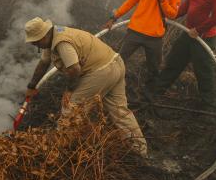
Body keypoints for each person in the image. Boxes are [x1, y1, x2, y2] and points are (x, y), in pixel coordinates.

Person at [24, 17, 147, 157]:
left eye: (36, 42)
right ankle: (140, 150)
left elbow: (75, 69)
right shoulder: (54, 35)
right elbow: (43, 63)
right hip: (116, 63)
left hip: (101, 72)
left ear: (44, 35)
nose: (35, 45)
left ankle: (58, 152)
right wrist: (31, 86)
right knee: (120, 112)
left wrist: (69, 90)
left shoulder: (61, 43)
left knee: (71, 108)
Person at [149, 0, 216, 108]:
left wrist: (199, 30)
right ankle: (156, 91)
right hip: (188, 34)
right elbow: (184, 9)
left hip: (204, 38)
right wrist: (168, 14)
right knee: (173, 62)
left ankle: (207, 104)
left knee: (204, 71)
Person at [104, 0, 182, 89]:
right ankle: (108, 85)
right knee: (119, 60)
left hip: (155, 37)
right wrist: (114, 17)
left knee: (154, 69)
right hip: (136, 31)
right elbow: (130, 1)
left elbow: (172, 14)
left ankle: (150, 94)